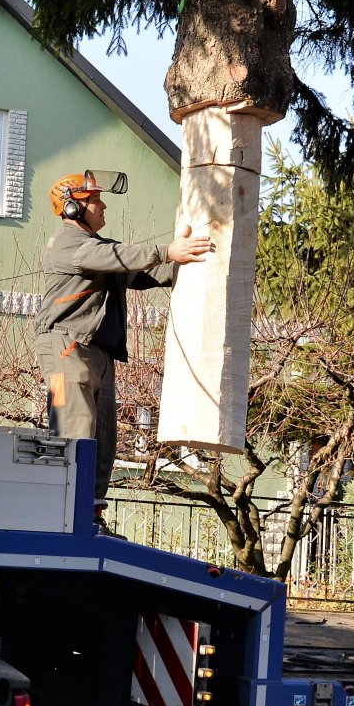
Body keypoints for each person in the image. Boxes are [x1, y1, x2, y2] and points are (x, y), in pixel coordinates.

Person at [35, 169, 213, 521]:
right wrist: (167, 251)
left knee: (103, 437)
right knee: (76, 428)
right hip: (66, 348)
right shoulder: (68, 244)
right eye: (95, 201)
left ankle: (91, 511)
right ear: (72, 208)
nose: (103, 207)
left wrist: (189, 260)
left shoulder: (101, 248)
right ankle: (66, 513)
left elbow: (142, 272)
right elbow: (118, 257)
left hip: (97, 351)